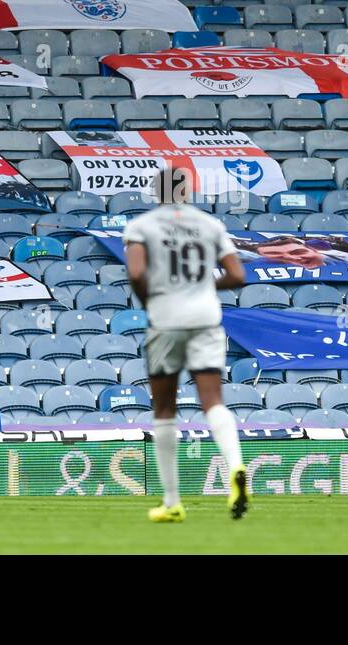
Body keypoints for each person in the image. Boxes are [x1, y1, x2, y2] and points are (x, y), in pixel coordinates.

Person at [124, 165, 249, 523]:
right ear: (188, 191)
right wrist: (202, 287)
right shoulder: (210, 225)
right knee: (213, 400)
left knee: (165, 410)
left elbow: (135, 272)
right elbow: (238, 275)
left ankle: (172, 501)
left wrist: (153, 298)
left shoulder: (142, 226)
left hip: (166, 318)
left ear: (156, 192)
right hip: (206, 317)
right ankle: (236, 466)